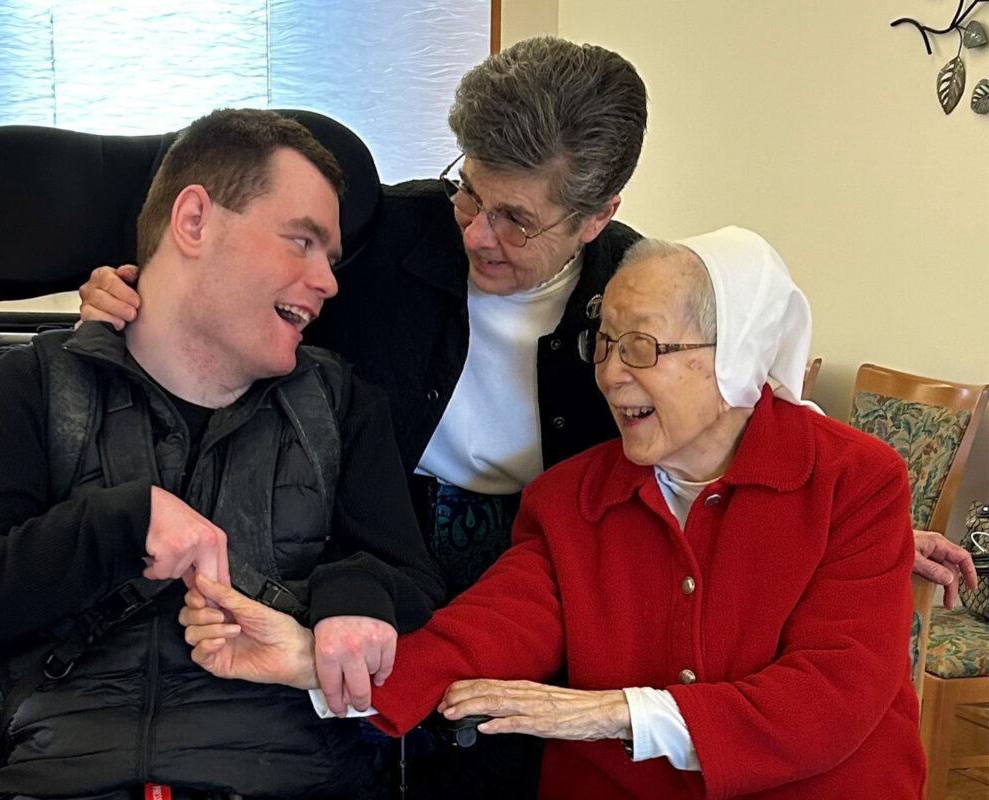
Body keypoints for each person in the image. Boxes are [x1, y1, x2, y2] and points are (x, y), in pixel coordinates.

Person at [79, 36, 975, 797]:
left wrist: (872, 533)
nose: (476, 232)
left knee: (506, 745)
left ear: (597, 216)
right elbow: (245, 284)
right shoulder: (386, 237)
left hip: (554, 534)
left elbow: (740, 409)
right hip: (397, 527)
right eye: (470, 191)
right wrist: (146, 293)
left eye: (516, 218)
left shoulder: (634, 286)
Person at [179, 227, 929, 799]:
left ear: (733, 354)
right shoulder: (574, 497)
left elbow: (831, 700)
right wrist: (318, 661)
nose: (608, 374)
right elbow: (487, 632)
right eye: (604, 343)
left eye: (641, 348)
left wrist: (609, 713)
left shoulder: (855, 482)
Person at [0, 109, 444, 800]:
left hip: (283, 774)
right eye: (302, 242)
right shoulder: (31, 391)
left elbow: (413, 582)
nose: (328, 282)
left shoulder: (339, 407)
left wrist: (353, 599)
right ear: (194, 221)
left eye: (332, 258)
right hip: (64, 773)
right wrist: (118, 527)